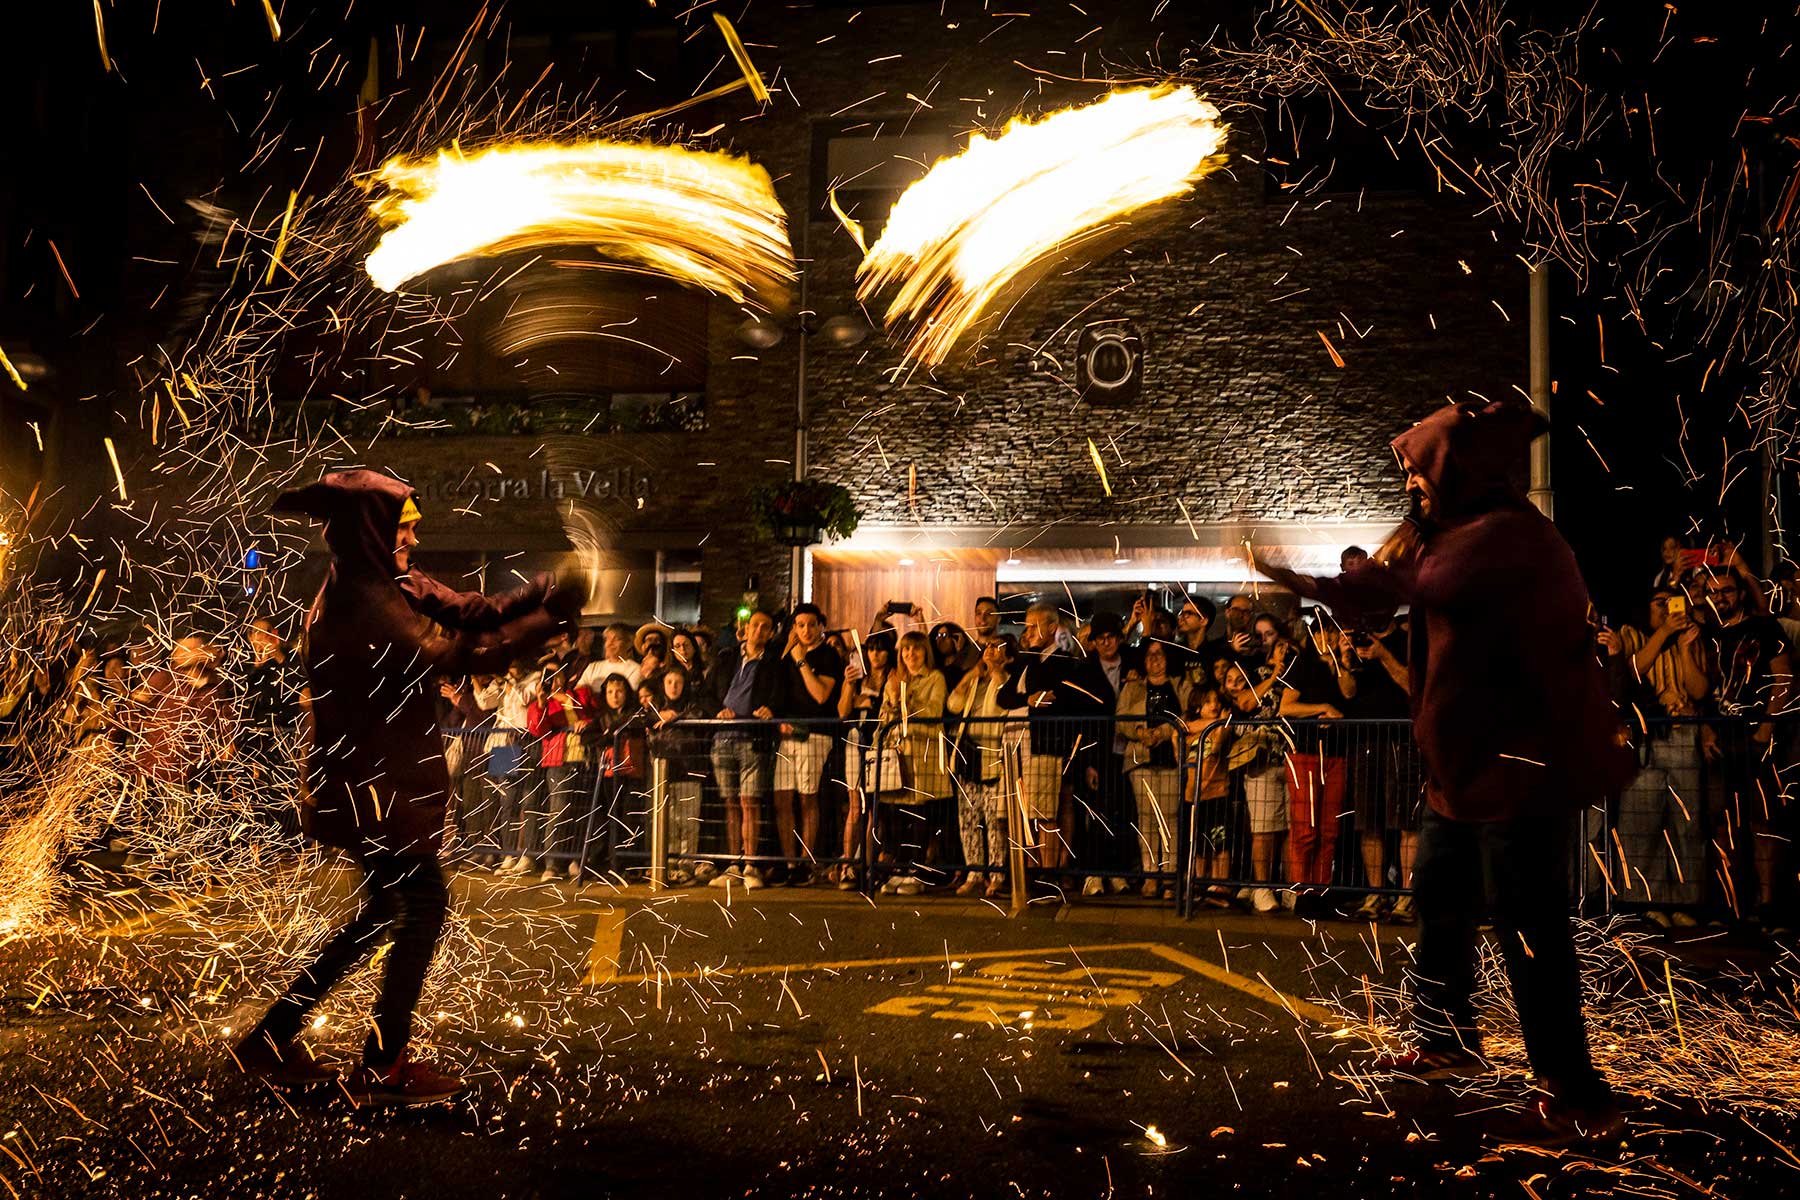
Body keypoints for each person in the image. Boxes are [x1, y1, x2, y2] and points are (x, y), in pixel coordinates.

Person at [1256, 396, 1635, 1148]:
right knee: (1439, 895)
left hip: (1519, 774)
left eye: (1419, 472)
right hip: (1460, 773)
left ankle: (1577, 1088)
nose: (1409, 487)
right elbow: (1387, 595)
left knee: (1529, 927)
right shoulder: (1450, 533)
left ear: (1457, 470)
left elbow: (1419, 588)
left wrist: (1322, 580)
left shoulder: (1510, 538)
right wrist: (1314, 580)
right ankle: (1447, 1036)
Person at [239, 470, 583, 1104]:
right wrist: (539, 629)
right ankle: (380, 1065)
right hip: (372, 786)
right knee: (421, 909)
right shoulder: (360, 600)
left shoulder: (390, 581)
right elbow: (449, 656)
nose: (416, 534)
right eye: (404, 524)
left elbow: (467, 611)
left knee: (383, 915)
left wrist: (542, 594)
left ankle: (271, 1038)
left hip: (378, 781)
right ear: (371, 530)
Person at [1698, 566, 1793, 931]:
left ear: (1740, 593)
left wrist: (1766, 730)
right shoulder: (1708, 635)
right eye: (1713, 591)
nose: (1720, 597)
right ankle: (1732, 908)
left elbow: (1783, 677)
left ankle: (1770, 907)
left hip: (1756, 736)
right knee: (1724, 825)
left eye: (1726, 590)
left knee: (1762, 822)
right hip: (1722, 739)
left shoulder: (1766, 628)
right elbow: (1705, 691)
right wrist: (1707, 731)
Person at [997, 602, 1108, 888]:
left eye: (1034, 626)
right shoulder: (1027, 660)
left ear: (1050, 627)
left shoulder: (1064, 662)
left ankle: (1053, 867)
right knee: (1030, 808)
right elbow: (1005, 697)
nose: (1028, 632)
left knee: (1050, 809)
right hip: (1022, 743)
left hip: (1051, 743)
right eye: (1027, 626)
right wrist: (1028, 699)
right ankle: (1034, 866)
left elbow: (1066, 701)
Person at [1278, 615, 1355, 915]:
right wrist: (1322, 707)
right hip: (1305, 753)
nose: (1328, 639)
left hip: (1335, 754)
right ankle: (1302, 891)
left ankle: (1321, 889)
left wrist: (1342, 663)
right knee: (1305, 829)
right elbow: (1286, 706)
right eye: (1322, 633)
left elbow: (1349, 692)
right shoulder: (1302, 665)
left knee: (1328, 828)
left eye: (1332, 633)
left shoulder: (1340, 666)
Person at [772, 604, 844, 886]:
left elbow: (821, 695)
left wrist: (802, 662)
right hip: (787, 735)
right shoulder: (786, 655)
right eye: (800, 625)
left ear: (820, 626)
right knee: (782, 798)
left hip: (814, 733)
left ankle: (805, 860)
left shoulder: (828, 655)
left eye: (811, 624)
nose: (805, 630)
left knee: (807, 796)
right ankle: (789, 862)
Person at [708, 610, 781, 889]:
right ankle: (733, 862)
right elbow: (708, 691)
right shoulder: (726, 658)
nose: (759, 631)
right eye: (755, 626)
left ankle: (751, 864)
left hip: (752, 738)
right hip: (723, 738)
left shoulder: (774, 664)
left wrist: (771, 708)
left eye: (766, 627)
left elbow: (780, 693)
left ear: (771, 633)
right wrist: (718, 710)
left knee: (749, 803)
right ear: (745, 629)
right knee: (730, 803)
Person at [876, 629, 950, 895]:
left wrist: (903, 695)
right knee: (894, 813)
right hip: (897, 753)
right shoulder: (894, 679)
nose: (910, 654)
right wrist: (894, 699)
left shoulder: (934, 678)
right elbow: (885, 714)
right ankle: (899, 868)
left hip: (923, 755)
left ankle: (917, 871)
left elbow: (932, 711)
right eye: (906, 650)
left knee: (919, 813)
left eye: (916, 649)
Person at [947, 632, 1020, 898]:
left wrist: (997, 672)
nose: (990, 650)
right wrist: (971, 676)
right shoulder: (976, 680)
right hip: (967, 755)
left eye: (997, 648)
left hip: (991, 757)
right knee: (968, 819)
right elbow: (953, 704)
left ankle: (997, 874)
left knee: (993, 820)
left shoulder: (1007, 681)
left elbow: (999, 708)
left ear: (1009, 657)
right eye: (988, 646)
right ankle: (974, 872)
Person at [1117, 639, 1190, 898]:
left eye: (1160, 654)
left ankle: (1169, 876)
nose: (1155, 659)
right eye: (1149, 655)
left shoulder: (1181, 685)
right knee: (1146, 818)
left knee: (1169, 818)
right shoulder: (1133, 687)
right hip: (1141, 758)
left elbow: (1187, 715)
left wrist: (1162, 731)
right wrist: (1139, 731)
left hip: (1170, 758)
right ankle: (1150, 875)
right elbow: (1121, 718)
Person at [524, 660, 597, 882]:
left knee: (582, 811)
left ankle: (576, 859)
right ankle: (553, 863)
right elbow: (538, 730)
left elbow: (593, 712)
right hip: (559, 760)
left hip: (586, 759)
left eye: (556, 674)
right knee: (558, 810)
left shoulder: (581, 693)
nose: (553, 679)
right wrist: (540, 701)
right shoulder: (543, 703)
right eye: (548, 675)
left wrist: (583, 718)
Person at [835, 629, 896, 890]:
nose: (875, 654)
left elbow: (890, 706)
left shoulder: (893, 676)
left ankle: (868, 864)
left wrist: (869, 700)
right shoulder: (857, 677)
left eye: (880, 649)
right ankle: (847, 864)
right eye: (871, 649)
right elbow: (842, 710)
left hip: (879, 742)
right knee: (854, 805)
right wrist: (850, 687)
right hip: (856, 740)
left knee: (873, 807)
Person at [649, 665, 712, 885]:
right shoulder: (655, 706)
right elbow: (644, 720)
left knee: (688, 821)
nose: (673, 686)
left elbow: (699, 716)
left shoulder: (692, 705)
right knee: (669, 820)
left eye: (678, 682)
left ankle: (686, 863)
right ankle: (669, 862)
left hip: (688, 768)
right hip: (664, 771)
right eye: (669, 682)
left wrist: (675, 717)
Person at [579, 623, 642, 693]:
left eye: (616, 639)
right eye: (608, 639)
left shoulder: (635, 669)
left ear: (628, 643)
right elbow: (578, 692)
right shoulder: (593, 667)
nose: (610, 643)